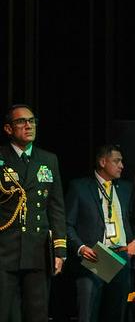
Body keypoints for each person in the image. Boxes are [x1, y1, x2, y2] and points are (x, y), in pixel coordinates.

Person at [0, 104, 67, 321]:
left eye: (32, 121)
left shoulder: (48, 159)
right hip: (4, 249)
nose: (29, 125)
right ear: (9, 129)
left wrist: (60, 250)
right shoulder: (1, 158)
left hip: (38, 249)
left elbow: (56, 207)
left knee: (37, 313)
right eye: (21, 121)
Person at [65, 144, 135, 322]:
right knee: (88, 314)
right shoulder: (79, 187)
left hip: (120, 256)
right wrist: (80, 247)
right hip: (94, 257)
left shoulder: (127, 188)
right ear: (103, 161)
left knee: (117, 313)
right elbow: (67, 224)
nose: (122, 166)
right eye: (117, 161)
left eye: (122, 161)